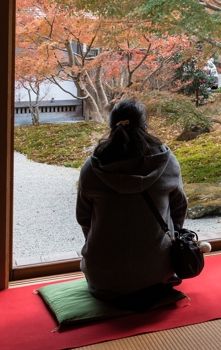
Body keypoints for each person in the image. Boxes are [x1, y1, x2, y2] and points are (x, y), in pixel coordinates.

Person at [76, 99, 190, 310]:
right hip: (158, 272)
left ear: (111, 126)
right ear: (145, 125)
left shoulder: (93, 167)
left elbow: (83, 217)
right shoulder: (165, 162)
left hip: (103, 276)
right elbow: (179, 209)